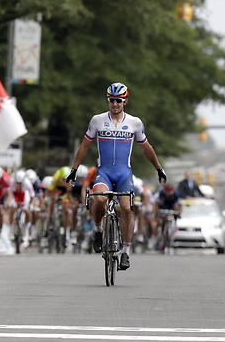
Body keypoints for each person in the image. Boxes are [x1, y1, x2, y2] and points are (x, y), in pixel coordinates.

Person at [66, 82, 166, 271]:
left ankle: (126, 253)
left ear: (125, 101)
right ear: (108, 100)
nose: (115, 104)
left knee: (127, 209)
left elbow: (146, 148)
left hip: (124, 174)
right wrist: (73, 169)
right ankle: (97, 230)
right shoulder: (97, 120)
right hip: (103, 172)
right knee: (99, 199)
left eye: (118, 101)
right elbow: (84, 146)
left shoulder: (134, 123)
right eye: (112, 100)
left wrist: (158, 168)